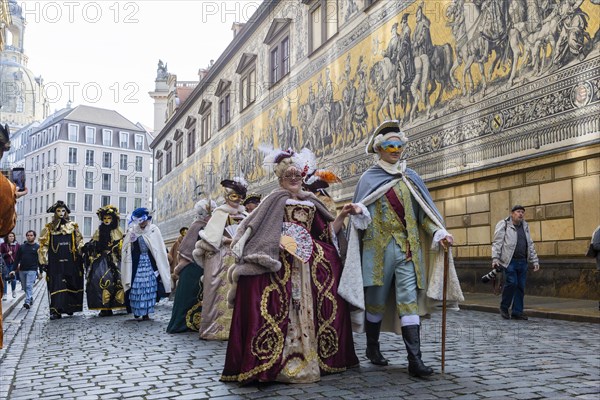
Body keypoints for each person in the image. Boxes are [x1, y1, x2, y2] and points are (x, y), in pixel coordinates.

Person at [221, 148, 359, 384]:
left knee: (311, 303)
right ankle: (276, 361)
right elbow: (255, 226)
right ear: (280, 178)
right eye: (289, 176)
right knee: (276, 307)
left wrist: (342, 216)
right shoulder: (273, 200)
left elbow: (325, 234)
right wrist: (262, 243)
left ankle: (308, 357)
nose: (294, 180)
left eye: (298, 176)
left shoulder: (312, 202)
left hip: (307, 266)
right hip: (279, 263)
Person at [340, 120, 463, 378]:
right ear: (379, 149)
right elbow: (361, 216)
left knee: (408, 302)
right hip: (377, 254)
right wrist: (359, 211)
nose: (396, 150)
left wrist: (438, 231)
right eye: (390, 146)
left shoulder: (410, 178)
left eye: (399, 145)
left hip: (408, 252)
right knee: (375, 302)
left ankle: (414, 360)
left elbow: (423, 214)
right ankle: (373, 347)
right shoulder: (368, 179)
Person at [192, 177, 248, 340]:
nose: (237, 200)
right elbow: (211, 238)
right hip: (221, 257)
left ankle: (238, 329)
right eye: (233, 196)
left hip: (239, 256)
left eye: (240, 196)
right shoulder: (220, 213)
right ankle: (216, 328)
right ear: (226, 197)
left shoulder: (245, 214)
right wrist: (226, 240)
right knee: (218, 290)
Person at [167, 198, 216, 333]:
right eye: (209, 214)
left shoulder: (207, 226)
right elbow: (188, 249)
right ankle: (187, 324)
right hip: (193, 268)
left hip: (202, 267)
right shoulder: (198, 226)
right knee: (191, 297)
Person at [121, 208, 171, 321]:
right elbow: (126, 249)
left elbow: (159, 248)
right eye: (140, 221)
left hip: (149, 263)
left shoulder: (153, 230)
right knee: (135, 286)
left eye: (144, 221)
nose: (142, 223)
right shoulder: (132, 231)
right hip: (136, 263)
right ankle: (136, 310)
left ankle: (146, 313)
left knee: (149, 286)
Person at [38, 201, 85, 320]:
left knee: (71, 282)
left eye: (63, 211)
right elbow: (43, 244)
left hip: (71, 261)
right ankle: (56, 310)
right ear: (55, 212)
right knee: (56, 284)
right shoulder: (49, 228)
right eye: (58, 211)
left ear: (66, 212)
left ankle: (69, 307)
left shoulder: (73, 226)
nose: (61, 213)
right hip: (55, 262)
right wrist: (43, 260)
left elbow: (79, 241)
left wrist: (83, 250)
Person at [492, 205, 540, 320]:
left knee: (520, 286)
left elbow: (530, 244)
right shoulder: (504, 225)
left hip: (523, 261)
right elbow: (497, 242)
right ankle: (504, 307)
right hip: (509, 261)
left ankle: (517, 312)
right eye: (518, 212)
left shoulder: (525, 226)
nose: (521, 214)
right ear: (512, 213)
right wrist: (495, 258)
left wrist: (535, 260)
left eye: (522, 212)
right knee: (512, 283)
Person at [83, 205, 125, 317]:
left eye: (109, 218)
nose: (106, 221)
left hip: (116, 259)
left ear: (113, 219)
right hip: (102, 259)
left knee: (118, 280)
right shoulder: (99, 231)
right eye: (105, 218)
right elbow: (94, 244)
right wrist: (91, 246)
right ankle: (104, 308)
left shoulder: (118, 231)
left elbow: (122, 245)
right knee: (98, 280)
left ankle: (117, 304)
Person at [14, 230, 40, 309]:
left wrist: (41, 271)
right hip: (22, 269)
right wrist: (14, 269)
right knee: (25, 287)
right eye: (28, 235)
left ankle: (27, 301)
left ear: (34, 237)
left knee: (29, 285)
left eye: (31, 235)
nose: (29, 237)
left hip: (32, 269)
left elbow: (40, 260)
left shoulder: (37, 247)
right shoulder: (22, 247)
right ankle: (30, 297)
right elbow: (17, 258)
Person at [1, 232, 20, 300]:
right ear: (7, 237)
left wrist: (19, 263)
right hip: (5, 264)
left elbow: (19, 255)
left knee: (13, 279)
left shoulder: (17, 245)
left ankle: (13, 290)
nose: (12, 237)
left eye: (13, 236)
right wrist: (7, 254)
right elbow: (1, 255)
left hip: (13, 264)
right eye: (10, 236)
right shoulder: (3, 245)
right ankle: (5, 294)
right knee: (5, 279)